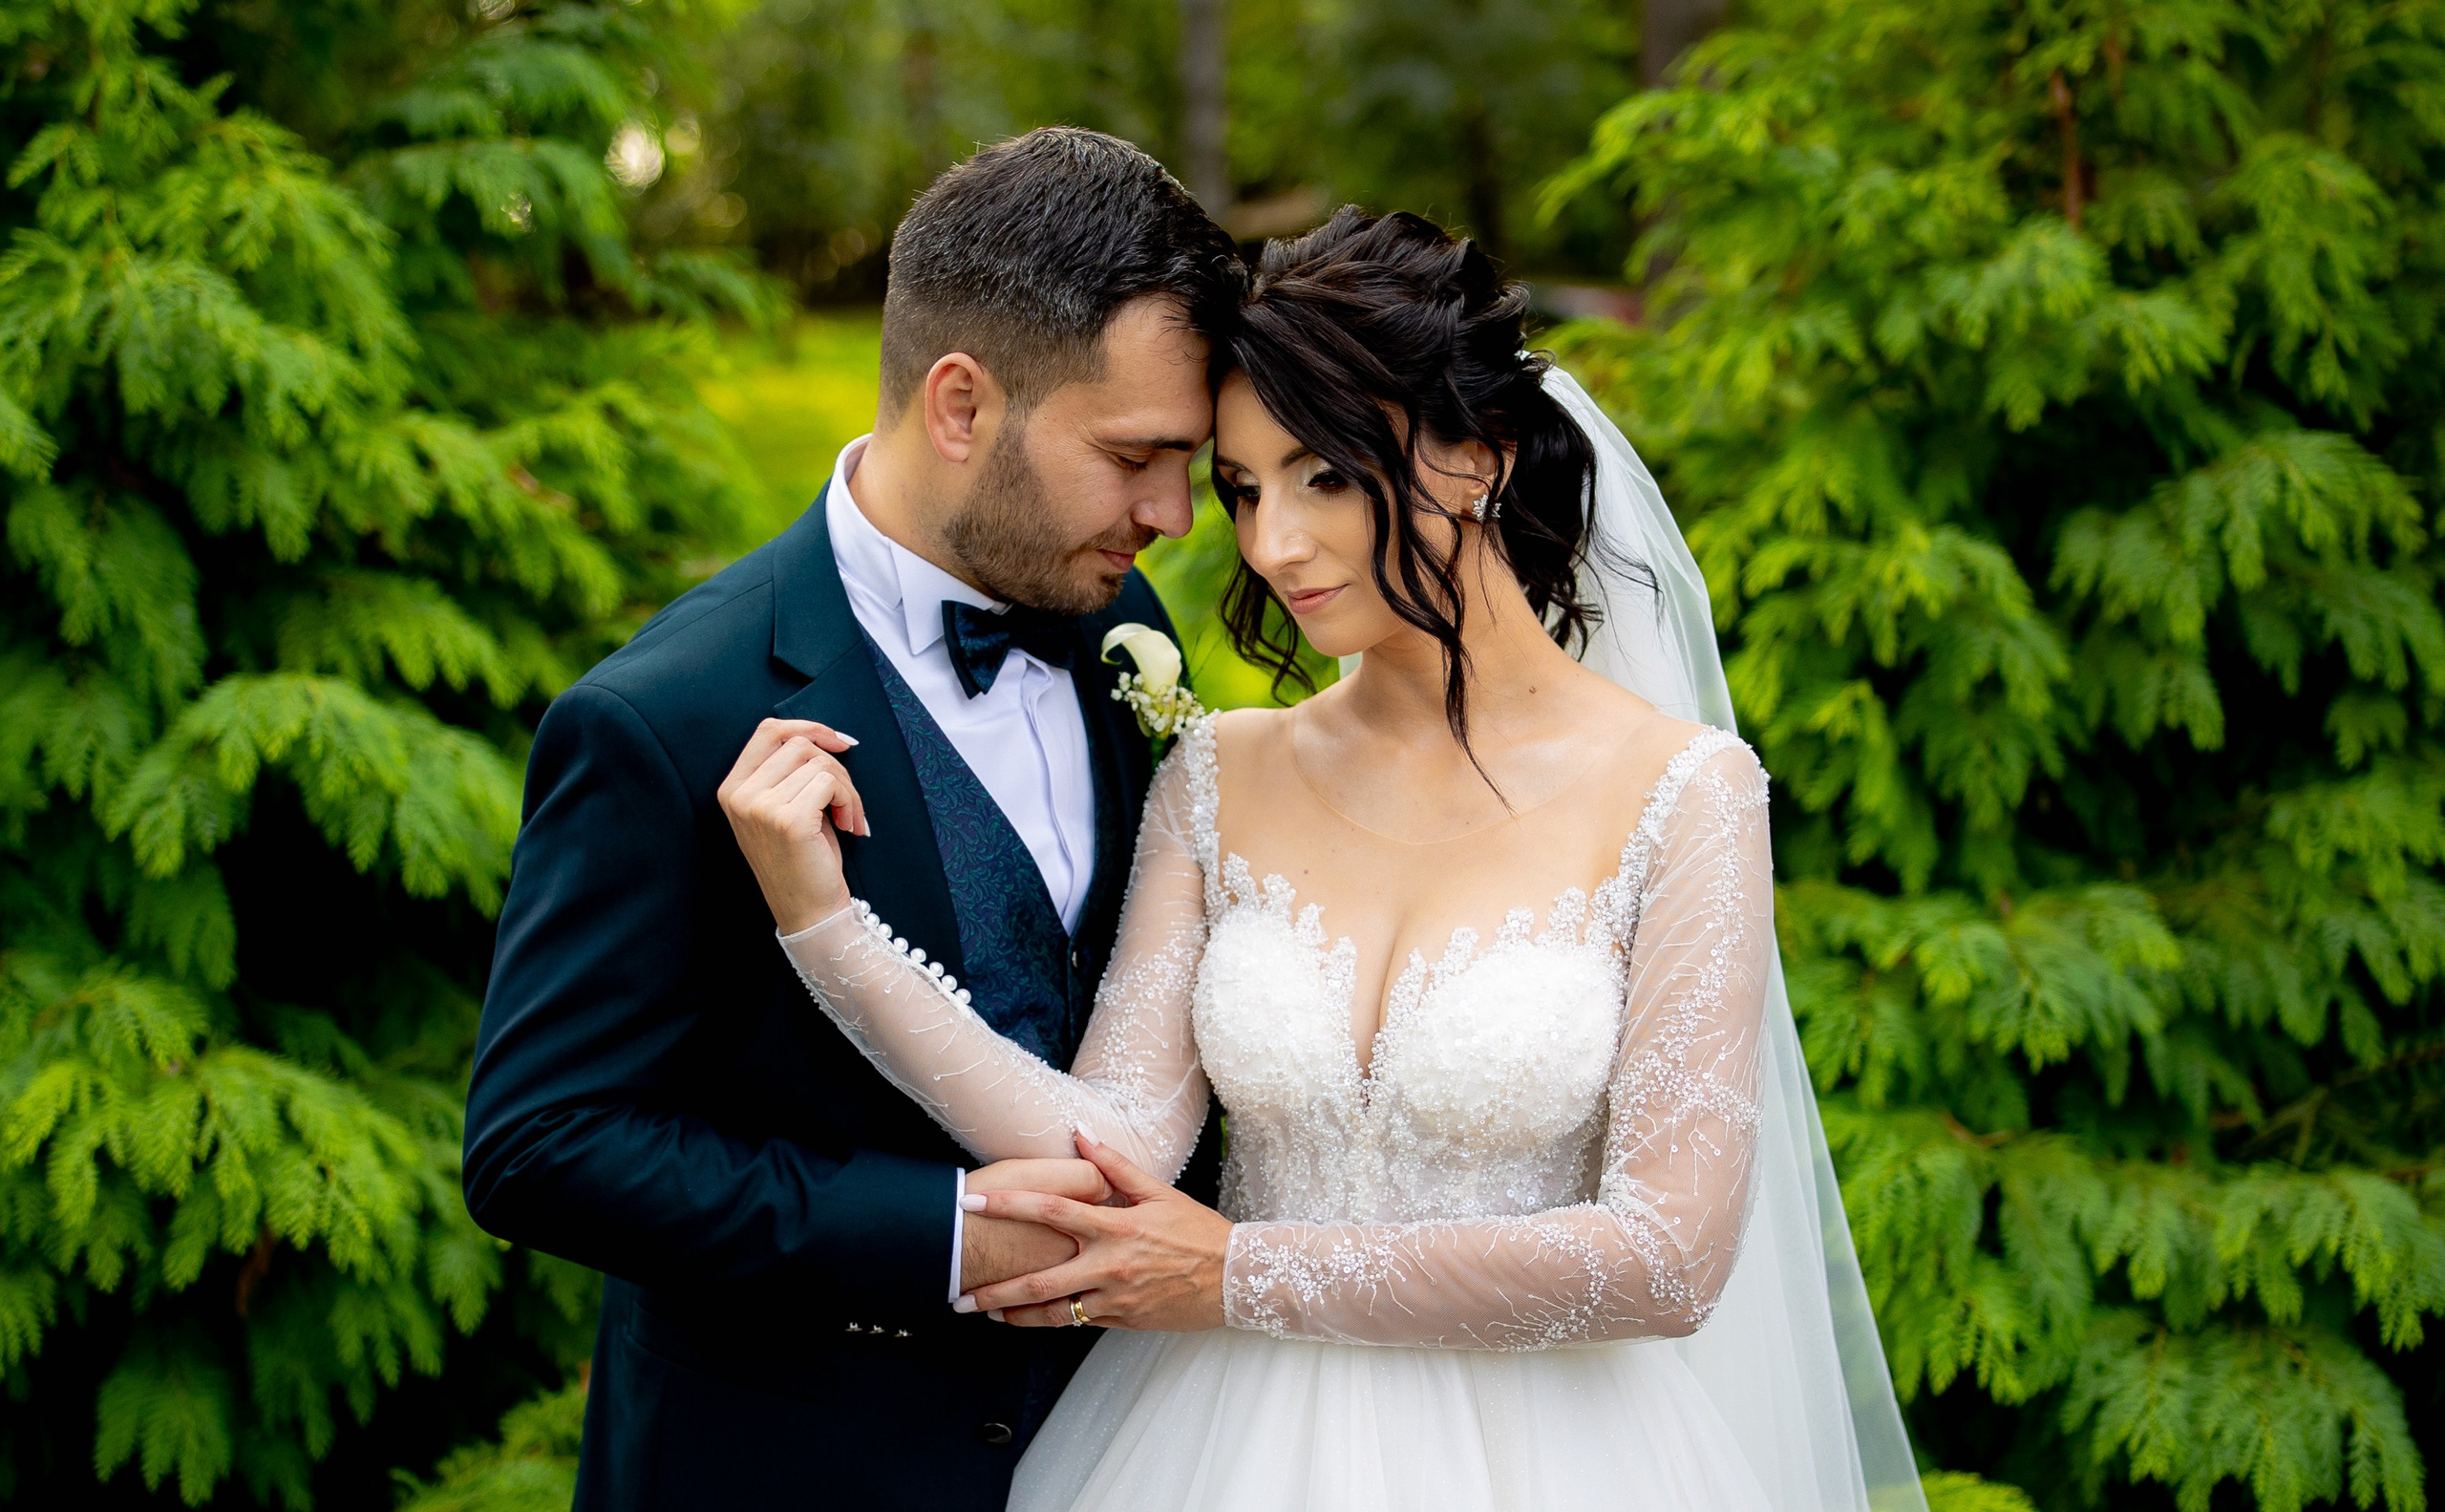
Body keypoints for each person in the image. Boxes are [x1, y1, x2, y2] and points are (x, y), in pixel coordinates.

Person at [719, 208, 1926, 1512]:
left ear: (1479, 457)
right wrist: (827, 932)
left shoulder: (1684, 792)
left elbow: (1668, 1258)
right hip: (1214, 1450)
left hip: (1556, 1461)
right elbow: (1114, 1142)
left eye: (1325, 478)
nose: (1271, 544)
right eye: (1244, 489)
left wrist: (1239, 1274)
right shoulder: (1222, 772)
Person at [460, 127, 1243, 1511]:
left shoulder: (1118, 618)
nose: (1173, 513)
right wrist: (941, 1235)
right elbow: (543, 1143)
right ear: (961, 406)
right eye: (1135, 455)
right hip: (784, 1468)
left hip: (1117, 1446)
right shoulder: (663, 717)